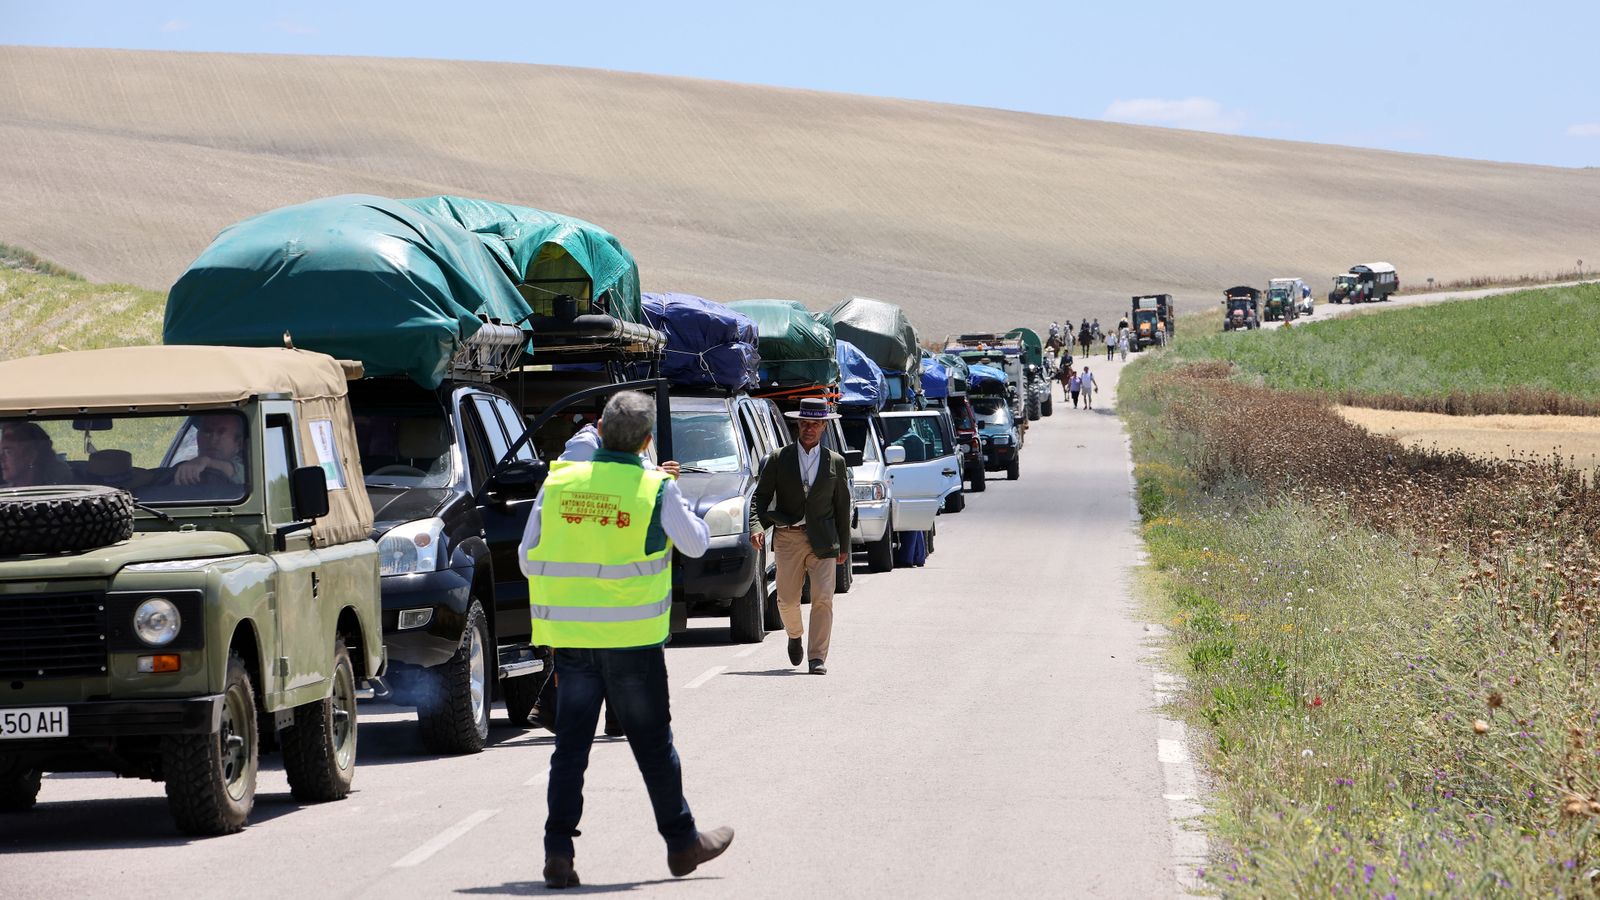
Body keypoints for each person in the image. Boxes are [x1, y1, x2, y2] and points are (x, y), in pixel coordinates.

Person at [520, 391, 733, 888]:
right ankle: (682, 843)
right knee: (654, 747)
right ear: (646, 440)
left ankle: (558, 853)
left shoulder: (559, 482)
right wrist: (673, 496)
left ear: (599, 430)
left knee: (570, 750)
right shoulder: (654, 487)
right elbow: (696, 544)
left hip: (573, 643)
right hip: (633, 646)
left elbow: (528, 559)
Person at [532, 411, 681, 737]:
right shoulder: (585, 445)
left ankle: (610, 716)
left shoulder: (635, 446)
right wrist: (654, 475)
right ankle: (553, 708)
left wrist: (659, 478)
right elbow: (586, 482)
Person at [750, 397, 851, 676]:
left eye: (815, 424)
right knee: (786, 600)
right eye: (804, 423)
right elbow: (760, 498)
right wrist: (756, 527)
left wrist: (844, 545)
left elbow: (842, 506)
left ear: (824, 427)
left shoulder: (835, 462)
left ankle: (817, 657)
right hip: (788, 537)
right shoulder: (778, 459)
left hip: (824, 540)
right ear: (797, 424)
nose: (809, 429)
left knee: (823, 599)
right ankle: (794, 634)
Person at [174, 413, 246, 485]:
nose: (213, 439)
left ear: (239, 444)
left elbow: (238, 472)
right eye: (207, 431)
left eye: (221, 433)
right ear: (198, 437)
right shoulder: (183, 468)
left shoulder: (247, 469)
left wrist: (206, 462)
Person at [0, 422, 72, 487]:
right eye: (1, 452)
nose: (1, 458)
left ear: (30, 456)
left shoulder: (60, 490)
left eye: (8, 452)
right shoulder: (3, 493)